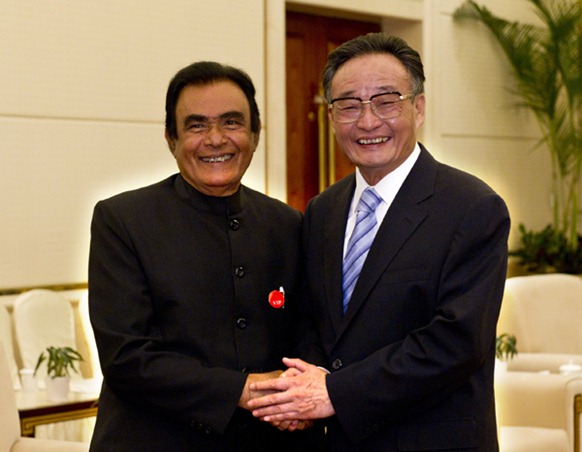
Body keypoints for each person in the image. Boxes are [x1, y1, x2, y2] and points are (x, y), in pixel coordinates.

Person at [248, 33, 511, 451]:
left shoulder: (472, 207)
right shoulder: (322, 211)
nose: (368, 122)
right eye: (349, 105)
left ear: (419, 107)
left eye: (386, 102)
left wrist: (334, 393)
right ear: (332, 117)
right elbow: (312, 320)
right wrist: (302, 386)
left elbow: (456, 343)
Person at [87, 61, 324, 451]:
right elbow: (127, 359)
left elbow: (308, 329)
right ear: (171, 138)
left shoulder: (287, 223)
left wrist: (299, 390)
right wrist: (242, 389)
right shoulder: (123, 221)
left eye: (231, 123)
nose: (215, 139)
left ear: (255, 134)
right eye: (196, 126)